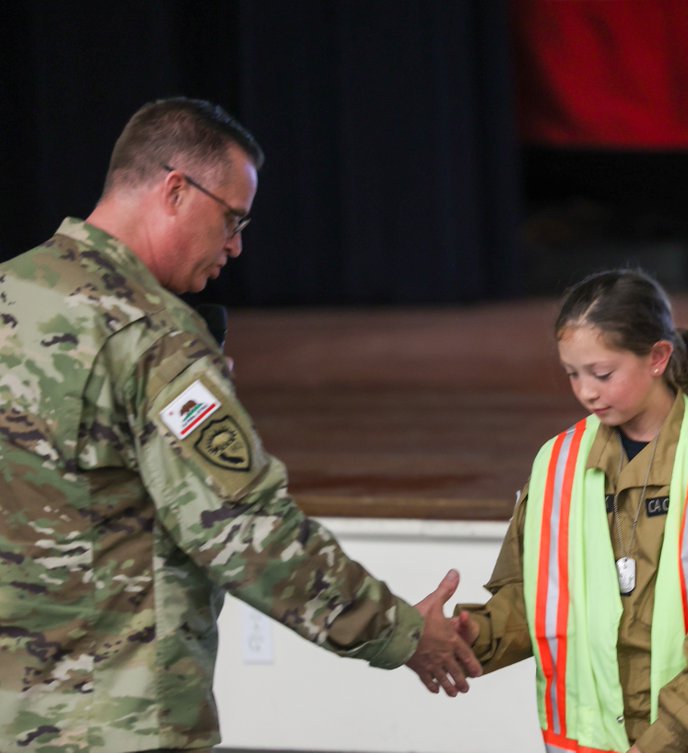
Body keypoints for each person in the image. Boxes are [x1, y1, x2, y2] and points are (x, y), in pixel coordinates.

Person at [0, 97, 480, 753]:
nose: (236, 244)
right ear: (174, 189)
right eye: (231, 217)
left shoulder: (10, 291)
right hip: (114, 720)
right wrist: (402, 631)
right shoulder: (152, 335)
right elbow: (246, 533)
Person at [455, 269, 688, 753]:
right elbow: (535, 598)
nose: (585, 392)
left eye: (602, 374)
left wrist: (664, 744)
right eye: (572, 374)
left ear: (658, 358)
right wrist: (467, 636)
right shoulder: (557, 463)